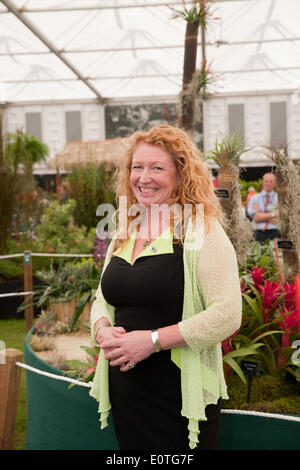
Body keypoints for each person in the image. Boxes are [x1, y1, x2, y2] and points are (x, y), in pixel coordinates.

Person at [89, 125, 242, 450]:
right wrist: (102, 329)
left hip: (177, 394)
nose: (144, 177)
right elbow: (102, 298)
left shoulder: (201, 229)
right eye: (137, 167)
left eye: (157, 168)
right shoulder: (125, 227)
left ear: (181, 174)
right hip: (127, 391)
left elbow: (228, 314)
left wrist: (152, 341)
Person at [247, 173, 280, 242]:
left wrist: (261, 215)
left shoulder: (279, 198)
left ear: (275, 183)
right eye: (266, 181)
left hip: (275, 233)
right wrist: (273, 214)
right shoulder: (254, 198)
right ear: (262, 182)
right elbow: (255, 218)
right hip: (259, 233)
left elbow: (281, 218)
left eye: (271, 181)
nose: (268, 184)